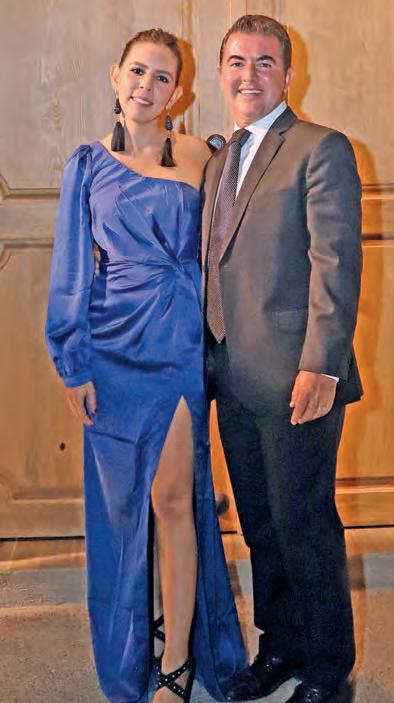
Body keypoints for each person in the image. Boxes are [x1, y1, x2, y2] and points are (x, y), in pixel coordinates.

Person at [45, 28, 246, 703]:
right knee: (123, 508)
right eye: (137, 71)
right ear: (115, 76)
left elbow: (228, 253)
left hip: (176, 344)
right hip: (110, 349)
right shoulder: (86, 164)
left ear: (179, 93)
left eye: (162, 77)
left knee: (172, 498)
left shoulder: (200, 156)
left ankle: (178, 660)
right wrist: (73, 362)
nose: (146, 86)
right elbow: (71, 268)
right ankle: (134, 644)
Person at [203, 14, 363, 703]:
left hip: (301, 375)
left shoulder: (320, 148)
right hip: (231, 374)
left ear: (289, 75)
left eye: (264, 62)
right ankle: (280, 646)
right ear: (221, 73)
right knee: (261, 525)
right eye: (237, 62)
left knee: (305, 525)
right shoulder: (219, 161)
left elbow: (336, 263)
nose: (249, 75)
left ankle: (327, 669)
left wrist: (322, 365)